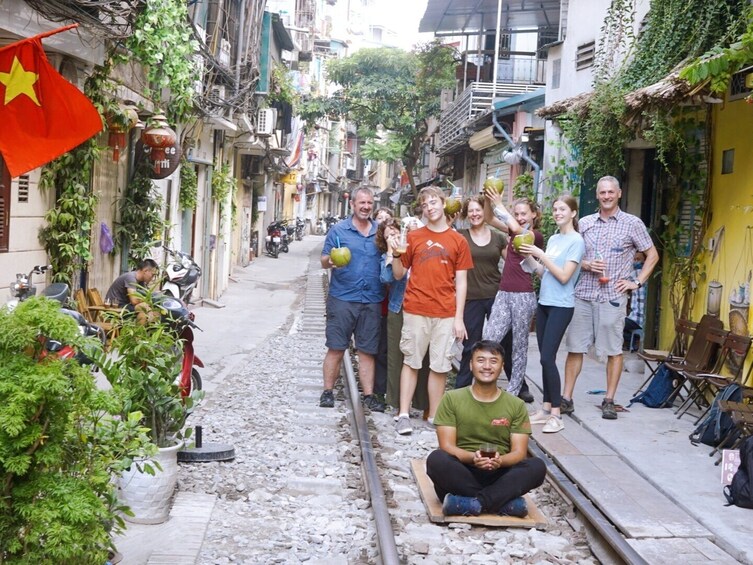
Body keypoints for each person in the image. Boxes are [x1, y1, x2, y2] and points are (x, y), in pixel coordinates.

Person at [562, 176, 659, 419]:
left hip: (612, 297)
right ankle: (566, 398)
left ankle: (609, 400)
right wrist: (585, 264)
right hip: (583, 294)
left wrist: (636, 282)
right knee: (575, 347)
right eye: (602, 192)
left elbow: (652, 255)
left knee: (614, 350)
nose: (606, 196)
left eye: (610, 192)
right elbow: (569, 253)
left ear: (619, 194)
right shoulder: (583, 223)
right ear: (597, 195)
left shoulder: (632, 224)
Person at [426, 340, 547, 517]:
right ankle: (501, 503)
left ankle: (472, 503)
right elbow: (447, 446)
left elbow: (519, 452)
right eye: (481, 360)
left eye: (493, 361)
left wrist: (500, 461)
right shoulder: (451, 399)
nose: (487, 366)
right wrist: (473, 458)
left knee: (537, 466)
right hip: (463, 472)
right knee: (436, 460)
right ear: (471, 364)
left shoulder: (516, 405)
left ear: (502, 366)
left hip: (500, 474)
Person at [389, 186, 473, 435]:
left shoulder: (458, 240)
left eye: (433, 202)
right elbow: (398, 274)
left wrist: (459, 319)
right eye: (425, 205)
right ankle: (403, 414)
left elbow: (462, 282)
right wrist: (395, 253)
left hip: (446, 312)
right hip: (415, 308)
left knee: (440, 366)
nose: (429, 208)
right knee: (411, 360)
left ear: (443, 203)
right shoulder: (413, 237)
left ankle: (435, 416)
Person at [519, 195, 584, 434]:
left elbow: (565, 276)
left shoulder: (576, 241)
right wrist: (528, 256)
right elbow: (543, 272)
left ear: (573, 213)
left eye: (563, 209)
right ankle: (545, 408)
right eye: (555, 209)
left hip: (561, 305)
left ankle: (557, 414)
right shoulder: (555, 238)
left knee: (548, 358)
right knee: (544, 358)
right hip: (544, 301)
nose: (557, 213)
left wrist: (541, 253)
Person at [319, 186, 385, 412]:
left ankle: (368, 395)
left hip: (371, 299)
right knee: (336, 347)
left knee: (367, 350)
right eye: (362, 203)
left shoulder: (380, 231)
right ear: (353, 204)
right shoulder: (339, 230)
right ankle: (327, 391)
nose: (366, 207)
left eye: (369, 203)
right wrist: (331, 262)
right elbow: (324, 259)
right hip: (343, 298)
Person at [482, 193, 543, 403]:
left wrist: (501, 204)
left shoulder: (535, 235)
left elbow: (517, 229)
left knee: (519, 345)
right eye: (516, 213)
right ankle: (483, 383)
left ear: (534, 214)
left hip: (523, 296)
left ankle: (514, 390)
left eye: (524, 213)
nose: (520, 217)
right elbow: (489, 219)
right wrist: (488, 200)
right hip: (503, 293)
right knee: (489, 339)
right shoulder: (512, 228)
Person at [376, 218, 429, 412]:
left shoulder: (415, 247)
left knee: (423, 358)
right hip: (398, 308)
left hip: (421, 307)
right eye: (389, 235)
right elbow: (386, 278)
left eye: (396, 232)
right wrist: (392, 253)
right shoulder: (387, 256)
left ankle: (422, 403)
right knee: (396, 357)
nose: (394, 237)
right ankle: (396, 402)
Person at [454, 196, 507, 389]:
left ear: (486, 213)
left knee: (501, 343)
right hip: (470, 298)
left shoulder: (498, 237)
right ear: (466, 214)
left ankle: (517, 387)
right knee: (470, 346)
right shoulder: (460, 236)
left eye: (479, 210)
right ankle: (461, 389)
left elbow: (512, 265)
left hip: (496, 296)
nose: (475, 214)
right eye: (471, 211)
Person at [373, 207, 394, 402]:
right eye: (380, 218)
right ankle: (380, 391)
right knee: (381, 351)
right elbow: (386, 278)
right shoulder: (380, 255)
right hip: (383, 307)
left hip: (404, 309)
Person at [105, 258, 159, 324]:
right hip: (115, 307)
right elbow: (134, 301)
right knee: (144, 308)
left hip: (125, 306)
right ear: (146, 271)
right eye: (152, 275)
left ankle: (147, 332)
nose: (152, 278)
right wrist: (147, 301)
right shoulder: (130, 278)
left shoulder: (141, 282)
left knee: (155, 311)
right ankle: (138, 333)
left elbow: (145, 297)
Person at [623, 251, 646, 351]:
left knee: (614, 323)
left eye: (638, 259)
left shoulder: (635, 274)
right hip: (637, 318)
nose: (636, 262)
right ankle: (633, 341)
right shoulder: (645, 274)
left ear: (645, 261)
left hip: (636, 318)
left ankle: (632, 342)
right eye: (634, 259)